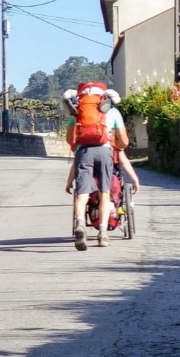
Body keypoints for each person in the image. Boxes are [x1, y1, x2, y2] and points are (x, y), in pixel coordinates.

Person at [64, 86, 129, 250]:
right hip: (105, 150)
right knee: (104, 192)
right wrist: (117, 147)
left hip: (84, 151)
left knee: (82, 193)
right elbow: (124, 141)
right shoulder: (112, 111)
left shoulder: (78, 111)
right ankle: (103, 234)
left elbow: (69, 139)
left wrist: (79, 148)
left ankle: (80, 224)